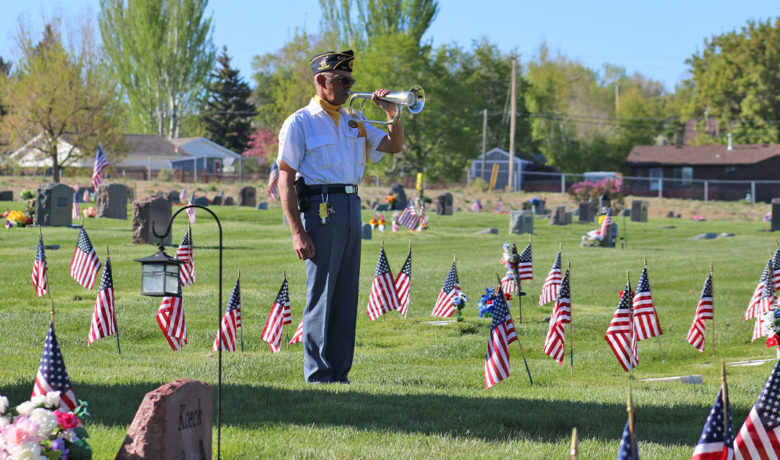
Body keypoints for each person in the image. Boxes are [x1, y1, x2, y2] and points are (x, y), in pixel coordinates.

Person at [276, 50, 404, 383]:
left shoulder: (354, 119)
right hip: (320, 207)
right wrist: (296, 231)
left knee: (346, 296)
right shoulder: (300, 121)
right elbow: (284, 177)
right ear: (321, 81)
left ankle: (340, 373)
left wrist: (392, 113)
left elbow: (393, 146)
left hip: (351, 206)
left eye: (351, 81)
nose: (349, 87)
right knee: (322, 294)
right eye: (342, 81)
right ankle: (318, 373)